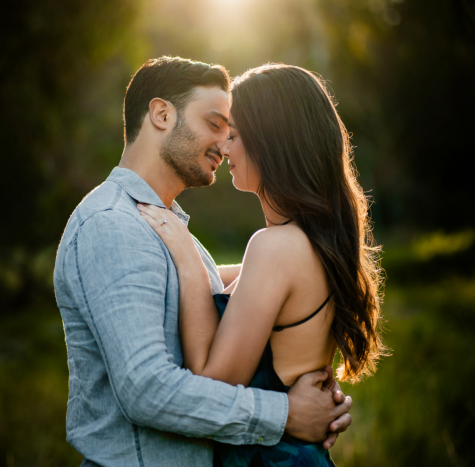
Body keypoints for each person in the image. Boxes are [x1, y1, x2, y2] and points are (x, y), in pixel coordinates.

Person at [53, 57, 353, 467]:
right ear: (161, 114)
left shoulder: (172, 229)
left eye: (234, 132)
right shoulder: (114, 225)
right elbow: (147, 391)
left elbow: (233, 288)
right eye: (215, 124)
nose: (224, 143)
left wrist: (190, 258)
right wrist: (286, 414)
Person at [137, 64, 386, 466]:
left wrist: (183, 254)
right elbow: (218, 280)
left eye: (233, 135)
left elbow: (211, 383)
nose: (224, 148)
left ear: (272, 142)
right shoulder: (307, 242)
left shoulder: (275, 249)